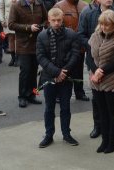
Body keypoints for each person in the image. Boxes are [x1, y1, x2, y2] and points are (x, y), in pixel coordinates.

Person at [77, 0, 114, 139]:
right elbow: (80, 34)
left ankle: (111, 132)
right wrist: (92, 46)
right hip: (94, 62)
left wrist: (113, 49)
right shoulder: (88, 15)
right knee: (97, 100)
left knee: (112, 101)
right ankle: (98, 126)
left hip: (113, 65)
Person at [87, 9, 114, 153]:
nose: (104, 28)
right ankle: (104, 140)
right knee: (102, 112)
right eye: (102, 24)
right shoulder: (95, 36)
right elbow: (89, 56)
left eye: (107, 25)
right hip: (96, 80)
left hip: (113, 81)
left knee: (112, 112)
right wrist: (95, 70)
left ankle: (112, 142)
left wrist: (102, 71)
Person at [36, 8, 80, 148]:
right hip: (50, 77)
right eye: (53, 20)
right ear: (48, 20)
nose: (56, 23)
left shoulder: (71, 34)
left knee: (65, 108)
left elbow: (75, 55)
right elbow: (41, 57)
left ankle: (66, 134)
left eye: (59, 20)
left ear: (63, 20)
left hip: (66, 77)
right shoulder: (42, 36)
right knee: (49, 108)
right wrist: (56, 73)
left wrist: (64, 73)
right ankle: (49, 135)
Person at [8, 0, 48, 108]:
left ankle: (32, 94)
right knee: (25, 70)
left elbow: (46, 19)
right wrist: (28, 28)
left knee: (34, 71)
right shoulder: (16, 6)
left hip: (37, 43)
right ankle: (22, 96)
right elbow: (11, 25)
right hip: (23, 44)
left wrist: (41, 26)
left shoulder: (39, 3)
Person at [54, 0, 89, 101]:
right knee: (64, 68)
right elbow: (54, 24)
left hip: (80, 44)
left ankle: (79, 92)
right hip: (65, 43)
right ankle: (59, 93)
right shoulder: (59, 6)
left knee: (79, 70)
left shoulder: (85, 5)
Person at [0, 0, 23, 66]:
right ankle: (12, 58)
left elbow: (24, 5)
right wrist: (2, 20)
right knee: (11, 39)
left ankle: (18, 57)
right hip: (8, 19)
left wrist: (18, 2)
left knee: (18, 39)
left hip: (18, 20)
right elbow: (1, 7)